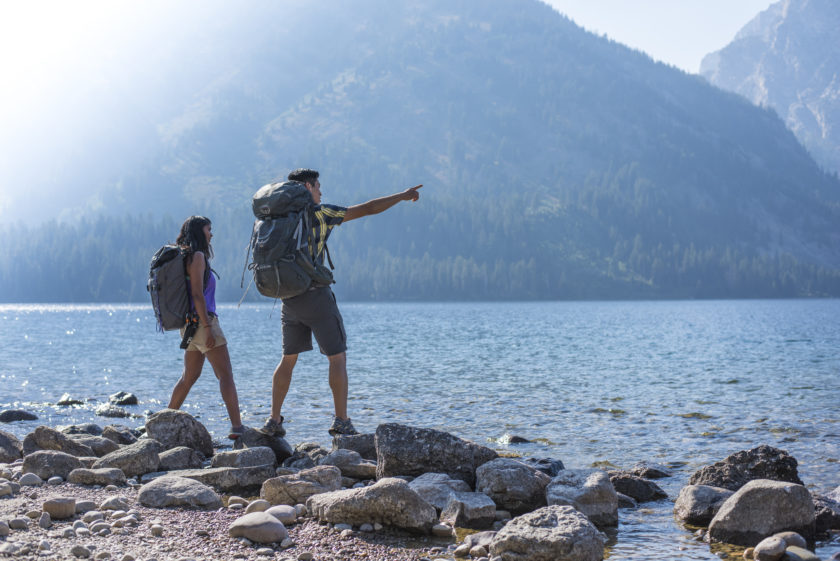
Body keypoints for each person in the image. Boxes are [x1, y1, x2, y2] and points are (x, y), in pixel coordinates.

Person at [260, 169, 422, 437]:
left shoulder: (278, 220)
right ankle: (341, 420)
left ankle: (273, 420)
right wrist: (402, 196)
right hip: (316, 296)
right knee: (337, 358)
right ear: (308, 187)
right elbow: (368, 208)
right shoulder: (320, 214)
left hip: (288, 299)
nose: (321, 192)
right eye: (318, 187)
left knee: (288, 359)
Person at [167, 216, 244, 439]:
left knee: (189, 377)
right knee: (225, 375)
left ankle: (165, 420)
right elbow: (197, 295)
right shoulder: (198, 256)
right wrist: (208, 327)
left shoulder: (185, 257)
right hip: (203, 322)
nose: (212, 234)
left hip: (189, 326)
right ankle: (238, 428)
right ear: (200, 232)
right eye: (209, 229)